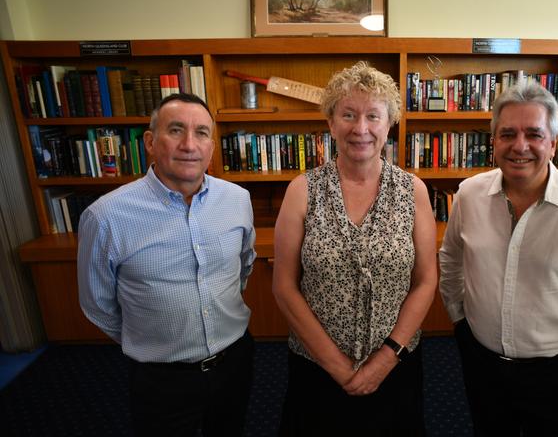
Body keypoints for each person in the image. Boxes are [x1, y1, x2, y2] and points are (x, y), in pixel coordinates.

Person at [439, 81, 558, 437]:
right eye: (507, 134)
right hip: (482, 362)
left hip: (557, 372)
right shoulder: (469, 194)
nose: (520, 146)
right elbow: (450, 259)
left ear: (553, 143)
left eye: (534, 134)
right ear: (493, 141)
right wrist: (459, 317)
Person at [272, 62, 438, 435]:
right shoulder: (303, 190)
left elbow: (426, 281)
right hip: (317, 367)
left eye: (373, 116)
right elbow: (284, 286)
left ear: (389, 124)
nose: (360, 128)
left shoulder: (414, 192)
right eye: (348, 114)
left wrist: (384, 360)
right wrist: (337, 366)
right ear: (331, 123)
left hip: (396, 365)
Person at [77, 93, 256, 436]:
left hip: (234, 361)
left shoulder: (237, 199)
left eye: (202, 132)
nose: (190, 144)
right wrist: (150, 338)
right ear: (150, 142)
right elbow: (97, 303)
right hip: (160, 376)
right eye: (176, 130)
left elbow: (243, 266)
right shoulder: (106, 217)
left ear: (213, 145)